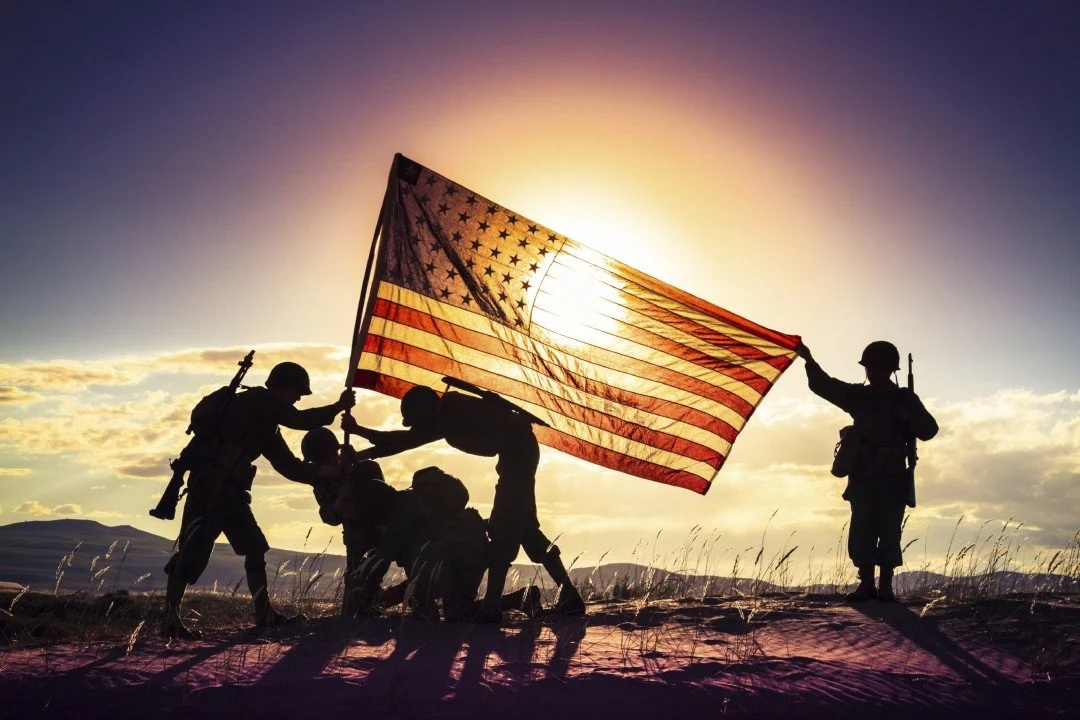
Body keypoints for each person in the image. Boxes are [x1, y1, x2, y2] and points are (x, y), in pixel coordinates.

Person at [342, 386, 583, 623]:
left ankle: (491, 607)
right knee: (526, 530)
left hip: (517, 458)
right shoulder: (446, 413)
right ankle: (569, 596)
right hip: (516, 457)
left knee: (504, 529)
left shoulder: (452, 415)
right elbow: (409, 439)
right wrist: (362, 447)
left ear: (425, 412)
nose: (417, 426)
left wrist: (361, 434)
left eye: (416, 420)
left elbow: (408, 439)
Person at [161, 362, 355, 639]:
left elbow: (290, 468)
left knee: (254, 546)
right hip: (209, 488)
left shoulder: (266, 425)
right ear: (280, 386)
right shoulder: (258, 401)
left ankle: (264, 614)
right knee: (192, 553)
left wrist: (331, 472)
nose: (297, 398)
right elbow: (300, 421)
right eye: (296, 392)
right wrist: (337, 407)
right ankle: (169, 620)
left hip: (230, 493)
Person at [795, 341, 938, 602]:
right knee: (862, 529)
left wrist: (906, 417)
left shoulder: (904, 399)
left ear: (890, 370)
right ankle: (866, 585)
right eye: (870, 367)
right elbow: (823, 385)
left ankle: (885, 586)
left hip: (893, 476)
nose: (873, 372)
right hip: (862, 476)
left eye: (878, 368)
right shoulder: (858, 397)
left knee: (890, 530)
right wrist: (809, 360)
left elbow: (929, 429)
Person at [301, 427, 399, 617]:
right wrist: (339, 503)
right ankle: (370, 604)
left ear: (333, 454)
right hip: (356, 536)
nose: (320, 464)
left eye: (322, 459)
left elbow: (381, 500)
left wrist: (353, 478)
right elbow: (329, 517)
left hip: (382, 532)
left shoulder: (366, 468)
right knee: (357, 584)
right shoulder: (322, 482)